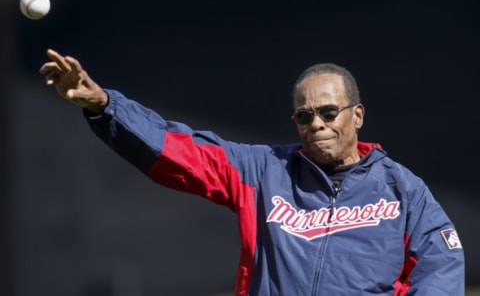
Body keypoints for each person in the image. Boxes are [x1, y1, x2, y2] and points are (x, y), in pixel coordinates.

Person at [39, 49, 465, 295]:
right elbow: (179, 152)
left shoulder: (401, 189)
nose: (315, 123)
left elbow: (441, 267)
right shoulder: (265, 171)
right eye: (304, 115)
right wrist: (106, 106)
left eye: (328, 111)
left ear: (357, 115)